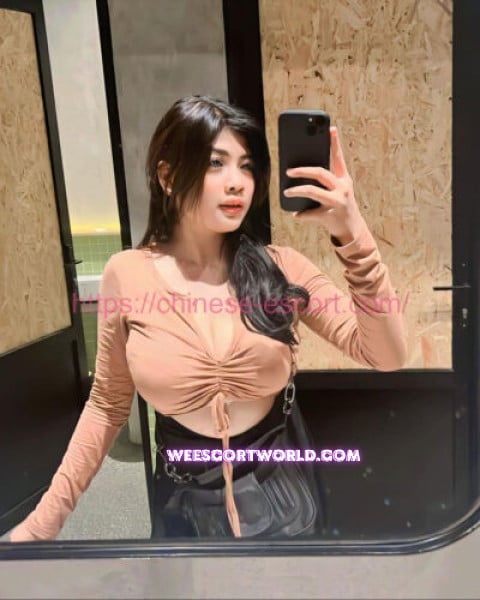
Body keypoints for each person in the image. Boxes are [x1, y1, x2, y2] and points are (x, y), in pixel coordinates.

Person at [10, 95, 407, 542]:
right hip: (182, 501)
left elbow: (386, 355)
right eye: (216, 163)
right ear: (167, 176)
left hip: (279, 500)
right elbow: (106, 405)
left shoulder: (282, 268)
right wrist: (43, 523)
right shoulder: (127, 274)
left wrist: (352, 233)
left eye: (247, 166)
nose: (237, 183)